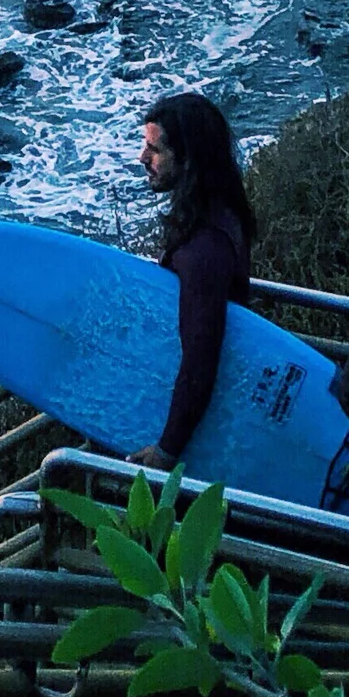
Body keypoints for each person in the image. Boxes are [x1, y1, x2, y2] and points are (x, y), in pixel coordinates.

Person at [139, 91, 254, 468]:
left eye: (154, 150)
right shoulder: (216, 210)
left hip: (199, 430)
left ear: (187, 159)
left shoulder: (204, 249)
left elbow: (199, 359)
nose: (143, 159)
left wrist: (167, 449)